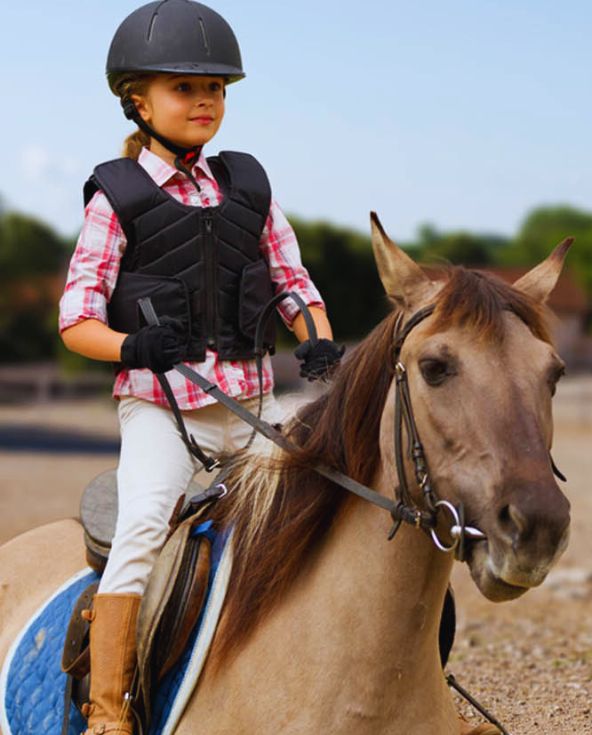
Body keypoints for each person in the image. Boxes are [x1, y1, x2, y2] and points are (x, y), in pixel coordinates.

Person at [57, 2, 342, 732]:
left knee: (345, 498)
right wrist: (131, 347)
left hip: (252, 406)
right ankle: (109, 708)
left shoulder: (248, 187)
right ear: (138, 100)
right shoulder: (115, 197)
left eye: (216, 88)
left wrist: (315, 338)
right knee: (143, 527)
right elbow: (76, 318)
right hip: (162, 409)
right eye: (185, 88)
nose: (205, 100)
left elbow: (292, 284)